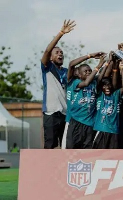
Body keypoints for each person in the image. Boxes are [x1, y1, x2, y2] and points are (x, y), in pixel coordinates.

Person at [41, 19, 76, 149]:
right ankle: (46, 169)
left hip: (65, 114)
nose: (60, 54)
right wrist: (61, 33)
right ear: (50, 57)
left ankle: (63, 170)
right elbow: (46, 51)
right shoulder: (47, 68)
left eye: (61, 52)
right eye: (57, 52)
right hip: (50, 113)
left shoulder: (66, 72)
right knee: (50, 146)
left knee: (65, 147)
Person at [61, 52, 106, 149]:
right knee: (70, 150)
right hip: (75, 122)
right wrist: (90, 56)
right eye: (86, 71)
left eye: (90, 71)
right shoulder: (74, 82)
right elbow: (71, 64)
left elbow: (102, 74)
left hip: (89, 124)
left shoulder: (94, 82)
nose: (89, 72)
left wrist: (107, 61)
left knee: (87, 151)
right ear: (79, 74)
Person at [92, 60, 123, 149]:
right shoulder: (100, 94)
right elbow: (99, 79)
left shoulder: (115, 94)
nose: (107, 88)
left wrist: (122, 70)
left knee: (112, 156)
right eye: (104, 86)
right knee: (98, 155)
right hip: (101, 129)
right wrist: (107, 63)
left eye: (109, 85)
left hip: (114, 130)